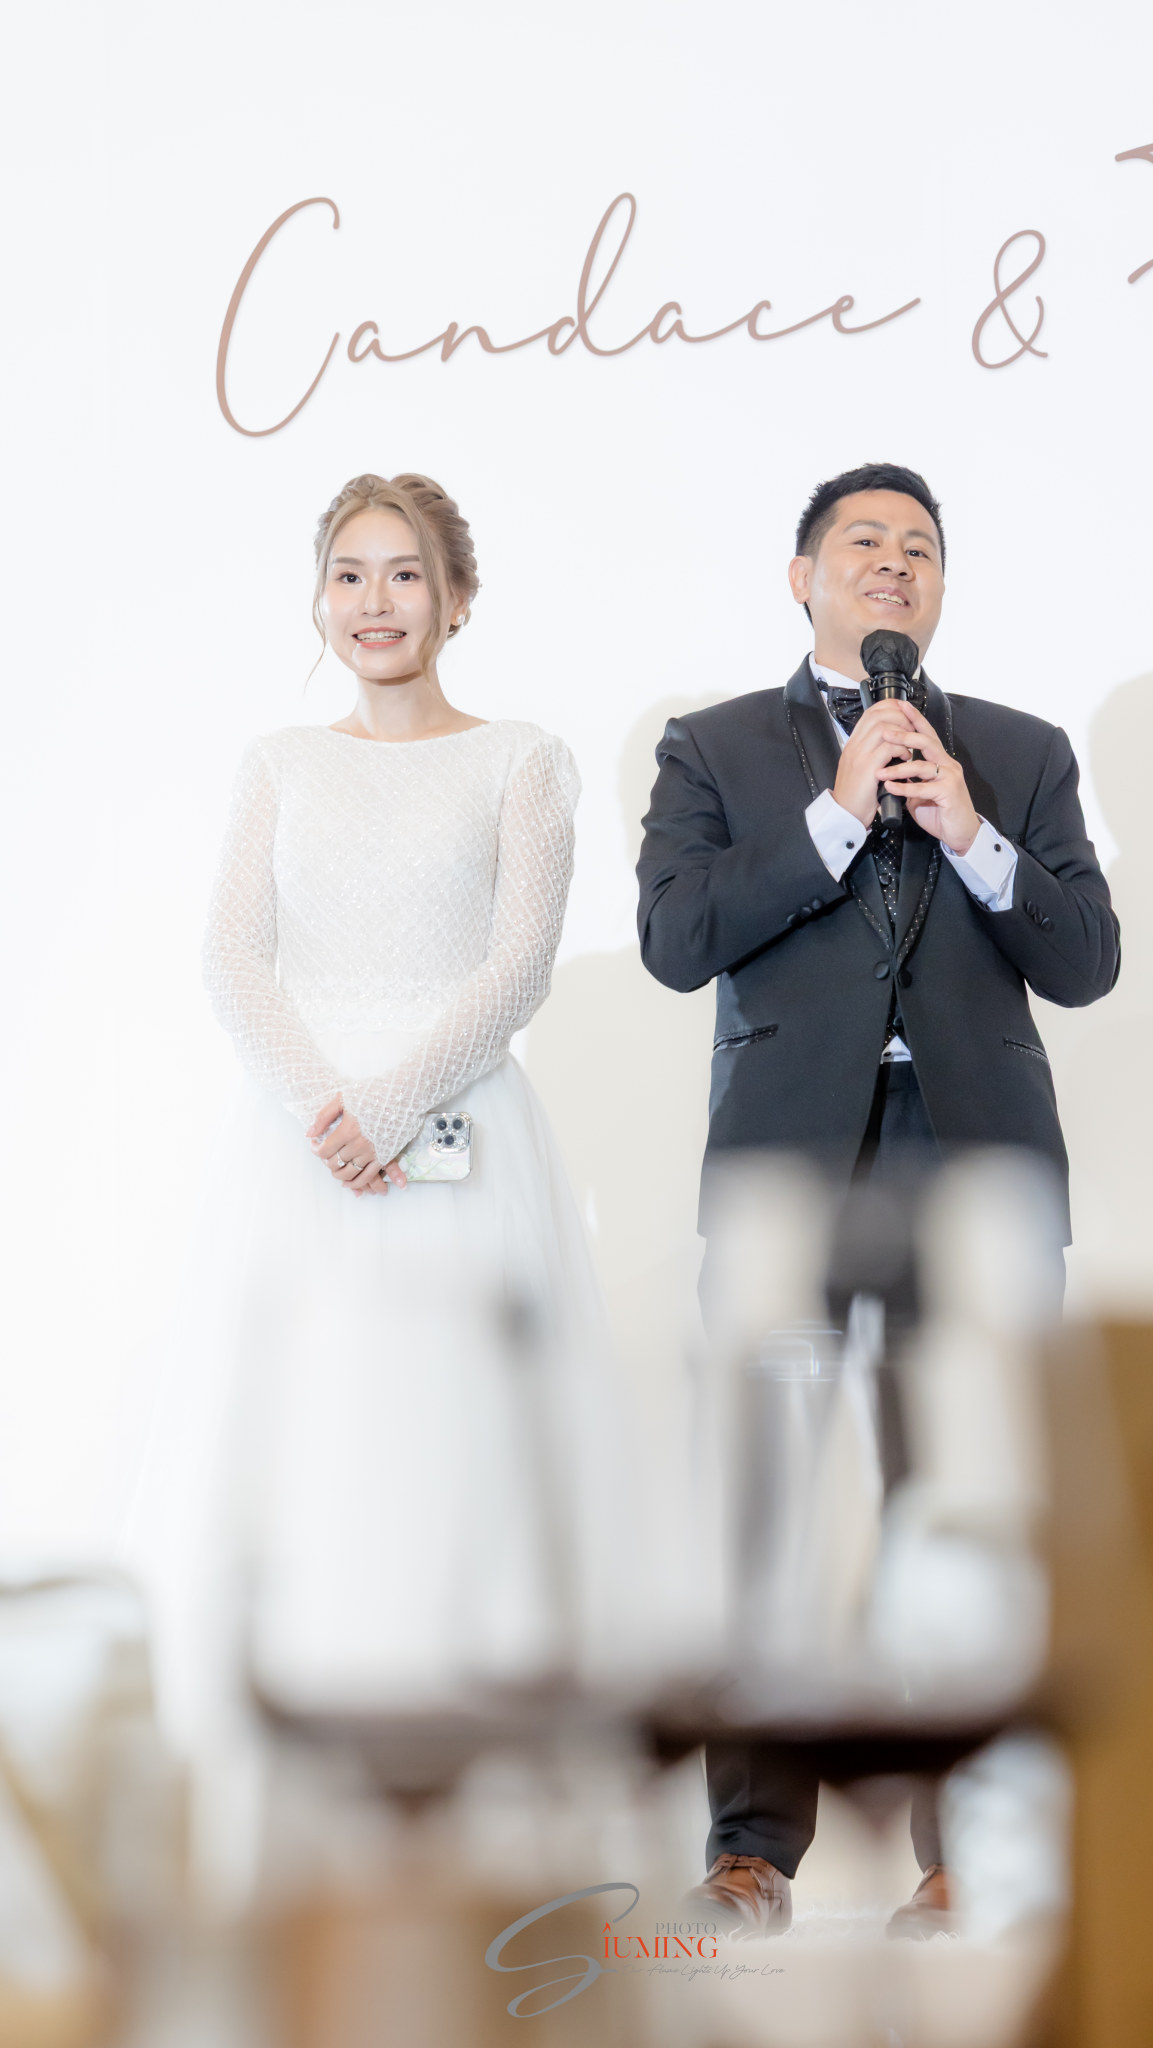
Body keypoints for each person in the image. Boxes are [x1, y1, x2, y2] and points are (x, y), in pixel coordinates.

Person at [636, 461, 1119, 1938]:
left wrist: (971, 830)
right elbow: (674, 938)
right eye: (863, 541)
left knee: (967, 1498)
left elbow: (1085, 960)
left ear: (941, 587)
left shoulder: (1020, 752)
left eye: (919, 547)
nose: (893, 562)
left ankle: (964, 1850)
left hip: (972, 1161)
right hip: (789, 1162)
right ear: (804, 577)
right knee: (768, 1499)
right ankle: (750, 1856)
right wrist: (834, 816)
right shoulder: (714, 746)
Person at [136, 474, 609, 1880]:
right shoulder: (278, 760)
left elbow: (518, 965)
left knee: (467, 1454)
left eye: (405, 574)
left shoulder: (522, 758)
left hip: (461, 1138)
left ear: (457, 599)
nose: (375, 602)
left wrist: (392, 1105)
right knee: (291, 1451)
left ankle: (479, 1835)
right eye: (349, 574)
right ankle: (278, 1836)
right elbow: (232, 956)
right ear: (319, 598)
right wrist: (319, 1111)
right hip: (297, 1154)